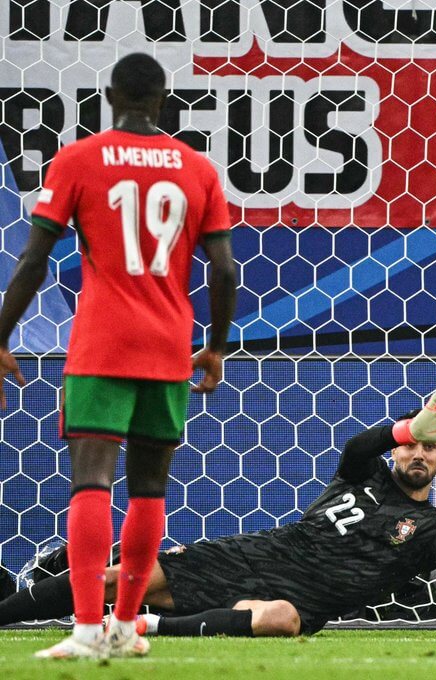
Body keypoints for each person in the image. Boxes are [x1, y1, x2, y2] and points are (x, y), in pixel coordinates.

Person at [0, 53, 236, 659]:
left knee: (91, 481)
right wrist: (213, 346)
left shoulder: (78, 159)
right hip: (167, 346)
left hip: (102, 343)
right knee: (151, 488)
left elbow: (33, 261)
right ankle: (127, 628)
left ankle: (85, 630)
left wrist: (0, 335)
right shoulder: (197, 170)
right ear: (162, 100)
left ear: (109, 96)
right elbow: (224, 267)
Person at [0, 391, 436, 638]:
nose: (419, 455)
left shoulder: (432, 529)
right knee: (117, 577)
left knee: (282, 620)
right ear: (399, 448)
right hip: (260, 554)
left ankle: (139, 628)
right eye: (412, 445)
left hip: (306, 598)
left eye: (431, 448)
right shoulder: (364, 473)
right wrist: (400, 429)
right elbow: (357, 448)